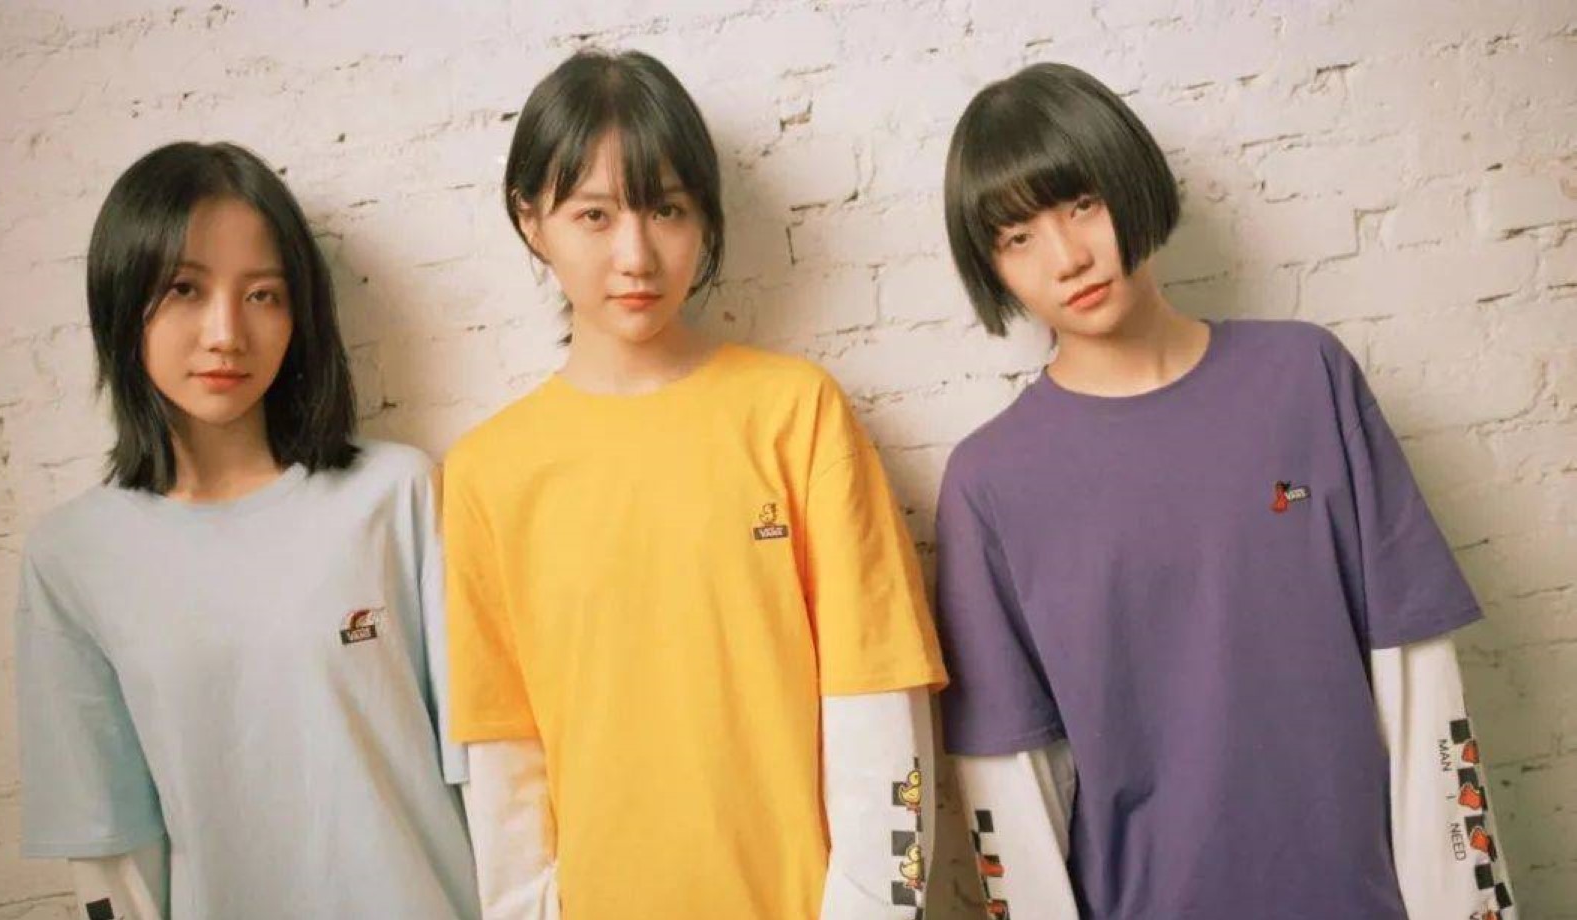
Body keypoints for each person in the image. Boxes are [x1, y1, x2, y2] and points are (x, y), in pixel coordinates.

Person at [932, 62, 1515, 919]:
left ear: (1131, 181)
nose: (1067, 258)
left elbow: (1421, 685)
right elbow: (1010, 790)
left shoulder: (1304, 379)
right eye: (1017, 237)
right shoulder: (991, 482)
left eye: (1083, 204)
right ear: (992, 267)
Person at [443, 49, 946, 920]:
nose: (635, 255)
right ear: (532, 222)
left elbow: (882, 718)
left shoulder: (797, 415)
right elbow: (505, 772)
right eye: (594, 215)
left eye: (667, 210)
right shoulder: (487, 473)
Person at [14, 141, 478, 919]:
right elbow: (110, 855)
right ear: (122, 299)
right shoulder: (72, 557)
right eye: (184, 289)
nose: (226, 332)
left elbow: (485, 776)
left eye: (263, 295)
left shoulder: (393, 496)